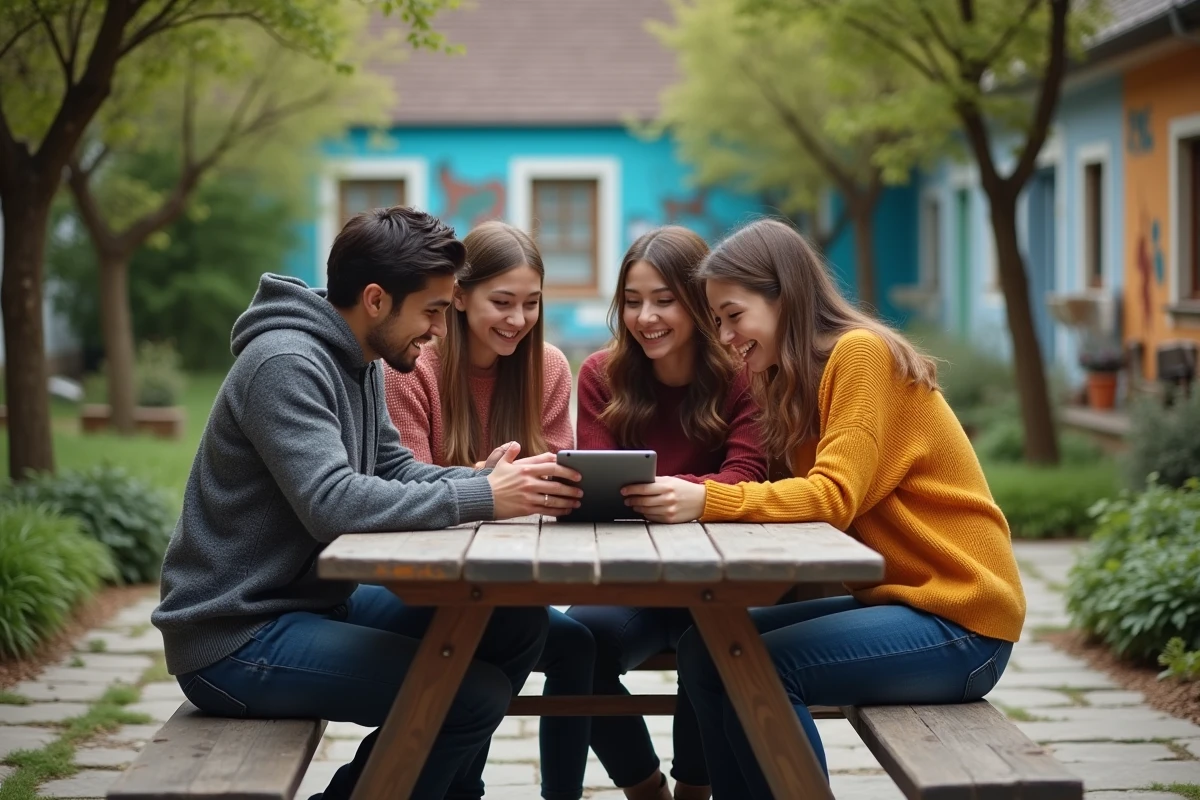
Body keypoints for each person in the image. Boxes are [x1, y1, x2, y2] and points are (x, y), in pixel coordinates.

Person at [151, 207, 585, 800]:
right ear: (377, 300)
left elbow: (392, 467)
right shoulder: (286, 364)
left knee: (512, 620)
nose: (438, 328)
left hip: (317, 605)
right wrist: (482, 495)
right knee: (468, 697)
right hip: (238, 635)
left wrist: (482, 479)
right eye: (432, 309)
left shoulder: (359, 359)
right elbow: (331, 503)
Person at [623, 219, 1026, 799]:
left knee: (759, 665)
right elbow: (793, 498)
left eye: (734, 315)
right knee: (706, 647)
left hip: (961, 621)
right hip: (905, 604)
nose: (726, 335)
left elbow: (830, 499)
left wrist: (706, 499)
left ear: (784, 296)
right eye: (717, 321)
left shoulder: (861, 355)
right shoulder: (793, 380)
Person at [383, 219, 593, 800]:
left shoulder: (547, 366)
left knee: (574, 644)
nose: (517, 320)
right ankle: (454, 787)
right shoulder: (412, 365)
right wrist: (485, 483)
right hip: (422, 578)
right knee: (489, 645)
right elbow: (405, 486)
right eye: (501, 302)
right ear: (459, 295)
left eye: (530, 304)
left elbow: (551, 478)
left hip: (508, 574)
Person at [564, 225, 768, 800]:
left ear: (699, 303)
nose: (645, 316)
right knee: (576, 641)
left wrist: (673, 492)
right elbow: (597, 485)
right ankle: (643, 786)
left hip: (715, 576)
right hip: (628, 575)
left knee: (714, 639)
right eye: (632, 301)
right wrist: (683, 492)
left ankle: (694, 788)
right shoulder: (601, 375)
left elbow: (747, 476)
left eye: (663, 299)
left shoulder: (743, 375)